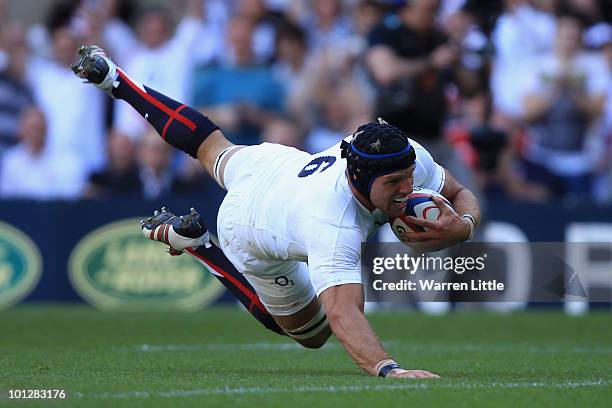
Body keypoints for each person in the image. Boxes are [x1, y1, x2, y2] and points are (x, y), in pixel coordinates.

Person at [72, 45, 481, 378]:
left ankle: (116, 80)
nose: (409, 189)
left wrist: (463, 227)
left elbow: (461, 192)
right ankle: (199, 244)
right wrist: (389, 370)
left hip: (277, 165)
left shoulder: (404, 157)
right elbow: (342, 314)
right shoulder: (331, 223)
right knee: (311, 332)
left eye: (409, 176)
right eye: (395, 184)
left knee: (210, 145)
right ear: (360, 178)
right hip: (247, 220)